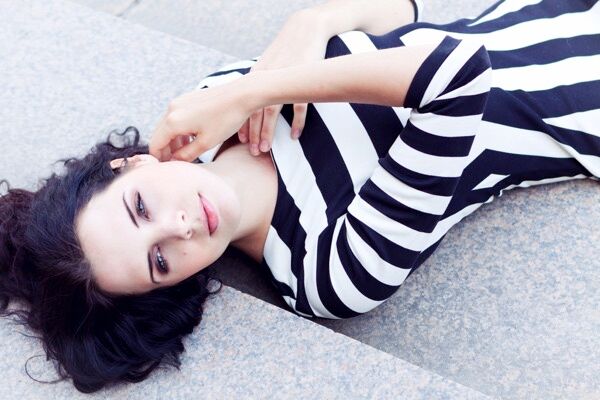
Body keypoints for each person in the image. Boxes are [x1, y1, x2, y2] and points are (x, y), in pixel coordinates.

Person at [0, 0, 597, 393]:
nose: (180, 228)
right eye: (159, 260)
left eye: (140, 207)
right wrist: (261, 86)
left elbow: (403, 9)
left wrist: (310, 23)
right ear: (172, 289)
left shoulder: (209, 109)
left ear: (129, 164)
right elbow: (460, 76)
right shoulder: (330, 269)